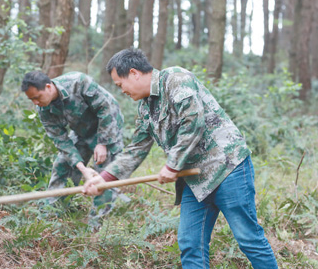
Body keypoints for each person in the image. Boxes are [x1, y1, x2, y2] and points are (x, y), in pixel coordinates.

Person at [80, 48, 278, 268]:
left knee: (248, 238)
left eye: (120, 85)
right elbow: (135, 148)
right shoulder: (145, 107)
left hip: (227, 169)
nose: (122, 91)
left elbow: (193, 121)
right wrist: (104, 178)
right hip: (195, 181)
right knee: (190, 243)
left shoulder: (176, 78)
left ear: (134, 73)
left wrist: (172, 165)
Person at [21, 70, 125, 227]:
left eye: (37, 97)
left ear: (48, 87)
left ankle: (96, 227)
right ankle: (52, 218)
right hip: (81, 130)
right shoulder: (43, 110)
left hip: (108, 126)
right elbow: (62, 141)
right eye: (31, 99)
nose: (35, 102)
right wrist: (82, 168)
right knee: (63, 165)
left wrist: (103, 142)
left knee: (105, 173)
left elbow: (106, 108)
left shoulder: (78, 82)